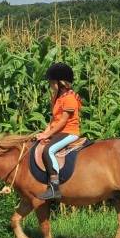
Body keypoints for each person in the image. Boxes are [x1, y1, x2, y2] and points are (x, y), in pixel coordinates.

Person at [35, 63, 82, 201]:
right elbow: (54, 120)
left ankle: (55, 187)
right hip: (59, 132)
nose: (50, 84)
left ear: (60, 82)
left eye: (51, 81)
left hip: (70, 132)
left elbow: (62, 121)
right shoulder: (57, 97)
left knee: (48, 150)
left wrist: (48, 135)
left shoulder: (69, 98)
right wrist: (43, 133)